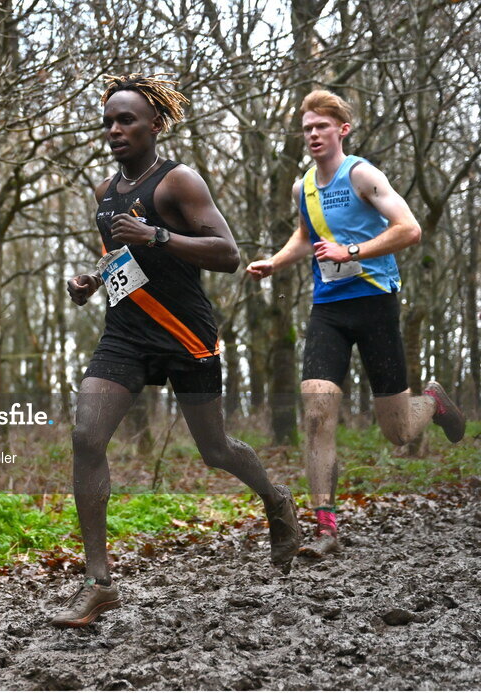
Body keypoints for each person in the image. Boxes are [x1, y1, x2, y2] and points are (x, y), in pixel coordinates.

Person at [52, 74, 301, 629]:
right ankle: (99, 584)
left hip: (186, 333)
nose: (115, 130)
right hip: (126, 334)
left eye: (127, 121)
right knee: (85, 436)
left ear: (154, 125)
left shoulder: (177, 181)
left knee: (214, 450)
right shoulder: (105, 193)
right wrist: (92, 280)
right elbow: (124, 261)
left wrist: (159, 237)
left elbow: (228, 253)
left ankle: (276, 497)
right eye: (109, 122)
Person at [246, 89, 466, 558]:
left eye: (321, 127)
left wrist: (354, 251)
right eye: (306, 129)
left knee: (398, 432)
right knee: (317, 413)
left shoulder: (362, 174)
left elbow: (409, 229)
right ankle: (326, 527)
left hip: (375, 304)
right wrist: (276, 263)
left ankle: (432, 402)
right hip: (328, 310)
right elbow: (305, 236)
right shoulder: (302, 186)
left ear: (341, 130)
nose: (312, 135)